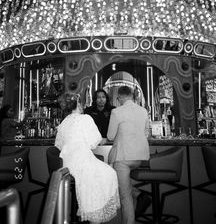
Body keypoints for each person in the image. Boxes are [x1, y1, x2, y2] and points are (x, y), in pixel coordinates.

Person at [55, 93, 120, 223]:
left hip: (66, 163)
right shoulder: (85, 118)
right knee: (109, 173)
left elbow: (58, 144)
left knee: (96, 174)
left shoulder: (64, 122)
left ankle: (85, 212)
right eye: (81, 103)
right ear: (78, 104)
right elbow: (94, 141)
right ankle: (92, 215)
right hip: (81, 159)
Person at [107, 85, 150, 224]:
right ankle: (138, 193)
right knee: (118, 180)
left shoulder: (116, 111)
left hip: (124, 158)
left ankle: (136, 196)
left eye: (118, 98)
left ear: (120, 97)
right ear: (132, 96)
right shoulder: (143, 111)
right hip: (140, 158)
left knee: (125, 197)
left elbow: (110, 136)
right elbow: (146, 134)